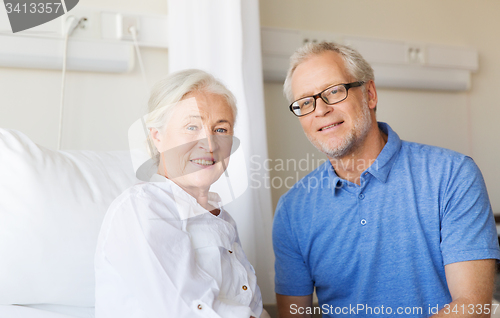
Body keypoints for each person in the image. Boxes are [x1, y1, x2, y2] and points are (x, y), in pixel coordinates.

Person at [272, 42, 500, 318]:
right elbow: (294, 314)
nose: (320, 110)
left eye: (333, 91)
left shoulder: (453, 175)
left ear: (369, 94)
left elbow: (472, 306)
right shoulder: (292, 210)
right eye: (306, 102)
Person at [95, 69, 264, 318]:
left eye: (221, 129)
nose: (209, 144)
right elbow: (188, 310)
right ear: (158, 137)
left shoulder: (224, 220)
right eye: (192, 126)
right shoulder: (143, 209)